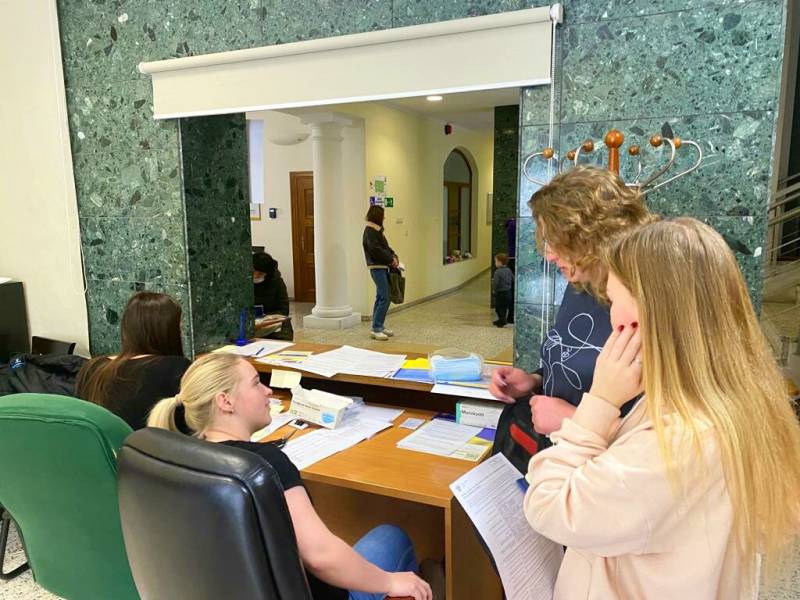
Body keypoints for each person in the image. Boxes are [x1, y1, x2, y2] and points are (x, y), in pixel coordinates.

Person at [523, 218, 800, 599]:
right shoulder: (731, 399)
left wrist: (599, 402)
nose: (612, 318)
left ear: (642, 318)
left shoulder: (681, 437)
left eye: (614, 302)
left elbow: (548, 506)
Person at [148, 353, 432, 600]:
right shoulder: (265, 464)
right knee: (393, 537)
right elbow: (320, 557)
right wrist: (390, 582)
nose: (268, 391)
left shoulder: (182, 458)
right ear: (225, 401)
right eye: (256, 383)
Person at [489, 166, 655, 471]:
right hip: (557, 456)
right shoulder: (582, 285)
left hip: (601, 474)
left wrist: (573, 421)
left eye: (557, 243)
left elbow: (662, 441)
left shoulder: (643, 306)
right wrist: (533, 381)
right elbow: (575, 363)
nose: (549, 255)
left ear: (592, 238)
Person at [75, 291, 190, 432]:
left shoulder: (92, 368)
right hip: (148, 445)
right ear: (169, 331)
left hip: (103, 445)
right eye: (179, 328)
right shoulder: (176, 368)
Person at [363, 205, 398, 341]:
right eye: (382, 215)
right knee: (385, 297)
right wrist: (390, 260)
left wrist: (394, 256)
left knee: (380, 297)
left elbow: (385, 247)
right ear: (377, 217)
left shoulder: (376, 231)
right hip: (377, 267)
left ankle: (378, 326)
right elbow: (376, 250)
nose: (384, 218)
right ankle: (377, 328)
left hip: (382, 267)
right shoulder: (370, 232)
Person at [252, 251, 293, 341]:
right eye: (253, 272)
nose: (255, 276)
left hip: (271, 322)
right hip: (250, 322)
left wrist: (267, 318)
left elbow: (284, 309)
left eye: (260, 274)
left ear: (267, 274)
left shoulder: (277, 282)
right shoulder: (243, 282)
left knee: (283, 336)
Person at [492, 253, 513, 327]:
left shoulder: (497, 272)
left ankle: (502, 321)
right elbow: (512, 279)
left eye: (495, 261)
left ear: (500, 262)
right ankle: (501, 320)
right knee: (504, 307)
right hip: (508, 292)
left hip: (500, 293)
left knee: (499, 308)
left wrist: (494, 290)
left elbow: (495, 283)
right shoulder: (509, 270)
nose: (495, 263)